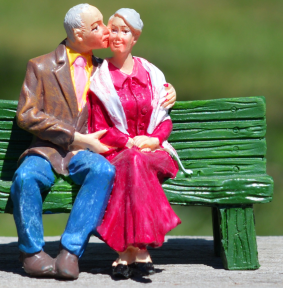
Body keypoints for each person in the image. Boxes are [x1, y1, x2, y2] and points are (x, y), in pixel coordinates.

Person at [12, 3, 114, 280]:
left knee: (103, 171)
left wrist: (167, 89)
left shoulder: (107, 70)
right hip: (47, 148)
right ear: (79, 34)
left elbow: (138, 85)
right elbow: (27, 115)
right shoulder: (41, 66)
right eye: (97, 27)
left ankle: (71, 250)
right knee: (25, 178)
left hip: (84, 153)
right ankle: (31, 252)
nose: (106, 31)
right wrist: (74, 137)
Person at [87, 8, 188, 278]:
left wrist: (154, 139)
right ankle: (139, 250)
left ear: (135, 37)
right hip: (118, 153)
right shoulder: (99, 79)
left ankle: (123, 252)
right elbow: (99, 128)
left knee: (136, 162)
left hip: (155, 153)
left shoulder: (153, 75)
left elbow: (164, 120)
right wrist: (128, 141)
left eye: (125, 31)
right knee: (132, 161)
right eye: (114, 30)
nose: (118, 36)